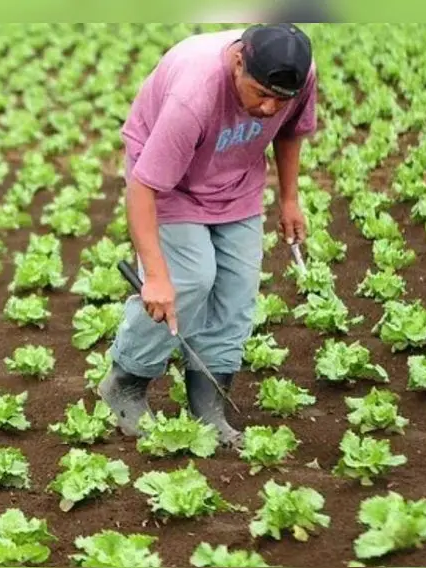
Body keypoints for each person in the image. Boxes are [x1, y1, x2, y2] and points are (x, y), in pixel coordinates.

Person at [101, 23, 318, 447]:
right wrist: (158, 278)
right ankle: (125, 381)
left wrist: (289, 198)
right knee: (187, 281)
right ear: (238, 61)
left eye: (281, 99)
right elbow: (142, 187)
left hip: (236, 180)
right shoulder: (194, 95)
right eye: (261, 93)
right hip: (170, 183)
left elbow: (291, 131)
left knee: (237, 292)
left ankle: (208, 404)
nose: (270, 108)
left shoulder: (298, 75)